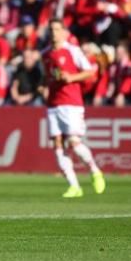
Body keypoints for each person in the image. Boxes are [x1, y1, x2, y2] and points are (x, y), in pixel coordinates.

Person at [42, 19, 105, 198]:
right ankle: (74, 186)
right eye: (51, 29)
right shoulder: (45, 54)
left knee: (74, 143)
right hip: (53, 104)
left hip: (71, 103)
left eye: (57, 29)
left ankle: (95, 170)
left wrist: (71, 77)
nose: (54, 33)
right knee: (57, 144)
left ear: (64, 32)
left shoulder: (73, 51)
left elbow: (90, 71)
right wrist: (43, 87)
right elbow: (47, 77)